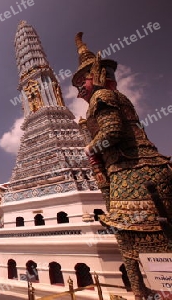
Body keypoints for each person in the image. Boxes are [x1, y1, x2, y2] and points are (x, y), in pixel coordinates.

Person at [72, 32, 172, 300]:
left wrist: (90, 147)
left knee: (138, 241)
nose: (79, 89)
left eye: (82, 81)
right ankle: (147, 291)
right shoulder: (110, 98)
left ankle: (150, 292)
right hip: (136, 171)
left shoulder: (102, 97)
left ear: (98, 76)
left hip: (135, 173)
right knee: (139, 240)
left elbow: (113, 132)